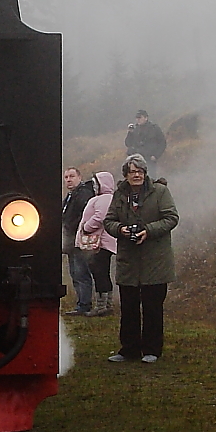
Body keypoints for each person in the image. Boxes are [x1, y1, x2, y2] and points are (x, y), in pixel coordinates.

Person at [103, 154, 178, 363]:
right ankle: (128, 349)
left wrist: (149, 231)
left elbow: (172, 218)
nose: (136, 175)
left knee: (153, 307)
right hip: (129, 261)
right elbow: (108, 221)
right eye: (132, 171)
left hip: (156, 261)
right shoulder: (119, 194)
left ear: (145, 174)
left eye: (140, 171)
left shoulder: (160, 191)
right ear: (125, 175)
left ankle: (152, 350)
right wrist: (121, 229)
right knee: (128, 308)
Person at [77, 171, 118, 316]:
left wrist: (86, 228)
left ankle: (102, 307)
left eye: (96, 184)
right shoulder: (106, 198)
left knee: (99, 273)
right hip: (102, 242)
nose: (94, 187)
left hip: (100, 243)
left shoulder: (104, 198)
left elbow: (100, 217)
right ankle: (106, 304)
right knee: (102, 273)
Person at [61, 167, 96, 316]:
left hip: (79, 239)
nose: (68, 180)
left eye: (71, 176)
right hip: (71, 240)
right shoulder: (71, 195)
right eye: (66, 177)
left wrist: (71, 227)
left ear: (79, 177)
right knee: (75, 273)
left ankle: (85, 304)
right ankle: (81, 303)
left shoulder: (83, 194)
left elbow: (84, 215)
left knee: (81, 273)